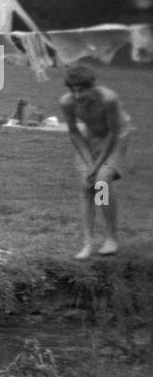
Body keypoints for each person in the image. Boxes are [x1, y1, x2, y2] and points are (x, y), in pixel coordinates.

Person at [59, 64, 133, 258]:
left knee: (101, 183)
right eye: (73, 90)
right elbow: (74, 132)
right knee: (86, 186)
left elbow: (114, 133)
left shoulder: (108, 99)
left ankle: (111, 238)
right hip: (90, 138)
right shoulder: (67, 102)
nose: (77, 95)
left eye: (82, 90)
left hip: (116, 137)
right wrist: (88, 163)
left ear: (93, 86)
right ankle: (88, 243)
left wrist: (97, 165)